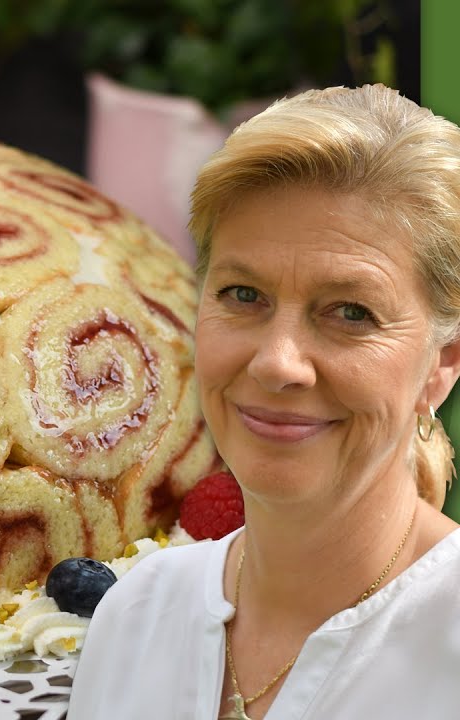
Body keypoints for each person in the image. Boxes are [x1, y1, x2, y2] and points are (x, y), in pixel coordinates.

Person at [67, 84, 460, 719]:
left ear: (443, 364)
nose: (278, 362)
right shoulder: (137, 615)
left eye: (352, 312)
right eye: (243, 295)